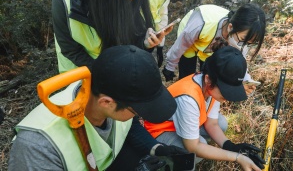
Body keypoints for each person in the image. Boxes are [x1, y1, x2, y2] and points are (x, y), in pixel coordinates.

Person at [8, 45, 189, 171]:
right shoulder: (37, 147)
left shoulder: (108, 95)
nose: (140, 116)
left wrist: (156, 148)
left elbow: (128, 126)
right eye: (138, 111)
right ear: (107, 103)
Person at [145, 46, 265, 171]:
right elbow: (193, 147)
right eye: (226, 91)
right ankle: (164, 162)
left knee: (220, 123)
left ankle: (196, 144)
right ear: (208, 79)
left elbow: (212, 124)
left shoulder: (211, 86)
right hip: (158, 131)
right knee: (192, 154)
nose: (228, 96)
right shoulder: (188, 98)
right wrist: (237, 157)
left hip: (179, 123)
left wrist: (230, 146)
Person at [43, 0, 170, 73]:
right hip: (82, 75)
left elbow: (126, 42)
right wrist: (107, 73)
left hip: (117, 68)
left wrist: (145, 44)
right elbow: (70, 50)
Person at [162, 3, 266, 86]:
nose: (244, 46)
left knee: (208, 76)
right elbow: (180, 46)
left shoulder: (241, 37)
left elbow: (240, 59)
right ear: (230, 27)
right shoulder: (200, 24)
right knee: (187, 75)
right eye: (243, 40)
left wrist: (245, 79)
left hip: (211, 44)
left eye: (249, 43)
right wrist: (170, 66)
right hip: (191, 38)